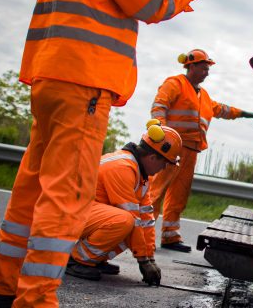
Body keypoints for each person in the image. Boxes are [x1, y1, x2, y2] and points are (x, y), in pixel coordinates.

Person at [0, 0, 201, 307]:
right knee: (66, 196)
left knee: (32, 190)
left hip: (51, 77)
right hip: (84, 82)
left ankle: (3, 288)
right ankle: (35, 299)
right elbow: (155, 3)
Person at [149, 49, 253, 252]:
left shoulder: (203, 95)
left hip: (190, 150)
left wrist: (248, 114)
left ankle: (170, 236)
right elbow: (159, 107)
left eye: (208, 69)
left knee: (179, 195)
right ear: (191, 66)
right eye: (203, 68)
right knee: (156, 192)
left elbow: (223, 110)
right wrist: (162, 134)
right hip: (170, 148)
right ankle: (142, 234)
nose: (207, 72)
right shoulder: (175, 84)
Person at [64, 122, 181, 285]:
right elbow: (133, 218)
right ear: (153, 157)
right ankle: (77, 260)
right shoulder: (123, 168)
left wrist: (150, 257)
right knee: (125, 221)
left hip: (83, 213)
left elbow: (146, 218)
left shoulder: (141, 175)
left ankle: (95, 258)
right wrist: (143, 261)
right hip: (67, 214)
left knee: (131, 224)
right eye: (165, 163)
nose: (163, 168)